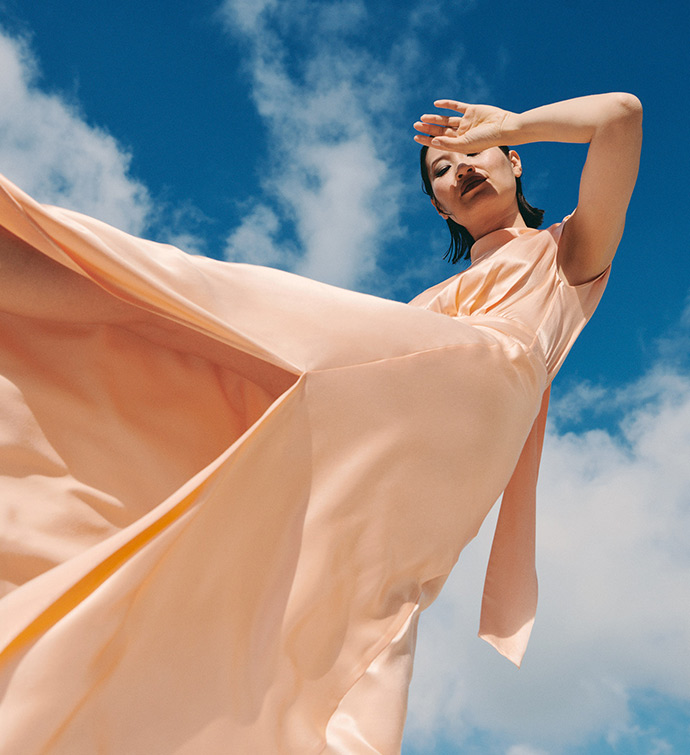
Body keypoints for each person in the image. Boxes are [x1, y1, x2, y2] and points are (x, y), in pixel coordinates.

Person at [0, 93, 641, 754]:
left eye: (474, 152)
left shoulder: (567, 256)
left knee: (236, 316)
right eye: (442, 171)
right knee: (336, 596)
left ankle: (35, 266)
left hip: (487, 384)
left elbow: (622, 116)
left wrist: (514, 124)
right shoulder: (421, 312)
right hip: (419, 439)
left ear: (514, 161)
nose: (460, 171)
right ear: (439, 207)